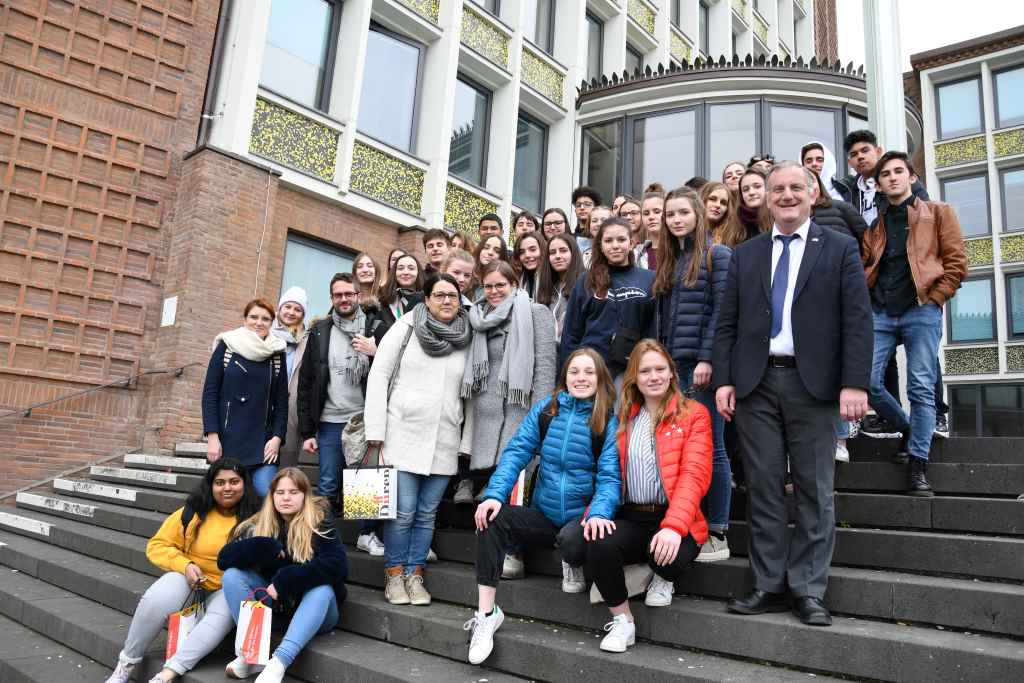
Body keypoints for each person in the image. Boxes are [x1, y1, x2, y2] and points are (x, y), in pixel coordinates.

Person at [714, 162, 872, 627]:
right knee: (762, 487)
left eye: (795, 188)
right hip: (756, 384)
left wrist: (855, 383)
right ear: (766, 197)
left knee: (814, 489)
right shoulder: (746, 254)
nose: (785, 195)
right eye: (777, 188)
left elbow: (857, 321)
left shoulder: (840, 248)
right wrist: (725, 379)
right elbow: (727, 323)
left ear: (811, 193)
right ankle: (767, 583)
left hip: (815, 384)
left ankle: (808, 588)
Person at [465, 348, 620, 665]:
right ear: (565, 377)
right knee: (492, 519)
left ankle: (571, 559)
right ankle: (486, 613)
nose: (581, 378)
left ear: (600, 377)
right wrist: (494, 494)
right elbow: (516, 453)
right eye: (574, 371)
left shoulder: (607, 420)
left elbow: (609, 478)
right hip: (545, 515)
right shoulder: (546, 411)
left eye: (589, 372)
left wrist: (601, 513)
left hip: (580, 521)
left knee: (572, 540)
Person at [586, 340, 712, 653]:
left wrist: (673, 526)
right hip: (632, 515)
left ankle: (658, 574)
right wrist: (598, 513)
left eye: (660, 369)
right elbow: (610, 475)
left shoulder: (695, 414)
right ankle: (623, 621)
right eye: (645, 371)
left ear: (672, 373)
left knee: (666, 561)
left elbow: (693, 477)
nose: (653, 376)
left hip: (674, 517)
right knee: (595, 541)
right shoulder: (624, 419)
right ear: (634, 379)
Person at [365, 274, 474, 606]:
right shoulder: (406, 327)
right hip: (402, 434)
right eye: (438, 295)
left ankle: (415, 575)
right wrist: (376, 433)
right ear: (426, 299)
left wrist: (465, 443)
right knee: (403, 512)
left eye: (452, 296)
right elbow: (379, 375)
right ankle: (394, 575)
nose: (446, 301)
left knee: (427, 513)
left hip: (444, 439)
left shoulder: (468, 336)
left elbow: (471, 393)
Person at [862, 152, 965, 494]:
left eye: (898, 172)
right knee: (868, 382)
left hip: (921, 308)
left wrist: (936, 299)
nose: (892, 178)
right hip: (881, 311)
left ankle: (918, 461)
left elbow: (956, 262)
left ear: (910, 176)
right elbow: (867, 267)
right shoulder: (874, 227)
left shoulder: (937, 213)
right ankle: (909, 428)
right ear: (878, 184)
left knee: (921, 387)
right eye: (885, 174)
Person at [104, 459, 261, 683]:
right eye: (220, 482)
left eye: (234, 482)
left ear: (245, 484)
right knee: (156, 598)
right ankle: (126, 665)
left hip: (228, 588)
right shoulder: (192, 512)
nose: (227, 488)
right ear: (211, 485)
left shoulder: (258, 517)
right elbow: (157, 545)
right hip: (190, 581)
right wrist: (184, 565)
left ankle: (168, 673)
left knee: (220, 617)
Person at [457, 261, 558, 574]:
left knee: (517, 482)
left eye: (501, 285)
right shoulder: (477, 317)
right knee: (494, 485)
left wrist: (540, 414)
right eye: (488, 286)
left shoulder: (536, 313)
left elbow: (543, 366)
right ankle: (494, 547)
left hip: (520, 410)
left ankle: (514, 552)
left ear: (515, 284)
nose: (494, 291)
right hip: (484, 413)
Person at [654, 188, 733, 561]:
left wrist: (707, 360)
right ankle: (688, 522)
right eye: (670, 214)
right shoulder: (671, 261)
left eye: (683, 212)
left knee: (712, 449)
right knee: (680, 452)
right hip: (673, 368)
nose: (676, 219)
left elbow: (723, 313)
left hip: (703, 369)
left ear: (699, 214)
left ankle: (718, 530)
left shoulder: (718, 255)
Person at [218, 468, 347, 683]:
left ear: (305, 496)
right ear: (272, 496)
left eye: (294, 492)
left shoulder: (320, 523)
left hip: (317, 612)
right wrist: (262, 546)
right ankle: (253, 652)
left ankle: (279, 661)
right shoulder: (258, 524)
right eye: (280, 492)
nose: (286, 497)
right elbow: (223, 560)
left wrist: (287, 578)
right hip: (277, 609)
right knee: (232, 576)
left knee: (322, 588)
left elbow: (338, 567)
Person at [297, 272, 390, 554]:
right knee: (327, 482)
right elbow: (307, 381)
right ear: (332, 299)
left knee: (365, 478)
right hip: (328, 420)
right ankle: (321, 537)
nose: (344, 299)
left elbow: (396, 367)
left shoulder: (376, 326)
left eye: (349, 294)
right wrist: (307, 431)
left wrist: (375, 351)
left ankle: (366, 534)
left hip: (364, 418)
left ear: (358, 296)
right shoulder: (320, 330)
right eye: (338, 295)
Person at [202, 299, 288, 497]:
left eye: (265, 319)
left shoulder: (276, 352)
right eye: (254, 317)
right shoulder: (227, 346)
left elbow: (281, 401)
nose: (259, 322)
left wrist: (277, 437)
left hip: (263, 443)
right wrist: (212, 437)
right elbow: (210, 395)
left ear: (272, 322)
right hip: (228, 441)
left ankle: (365, 528)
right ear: (245, 319)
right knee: (226, 499)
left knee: (267, 495)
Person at [559, 217, 656, 382]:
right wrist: (567, 376)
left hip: (630, 370)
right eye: (609, 241)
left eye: (621, 240)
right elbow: (571, 333)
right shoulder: (586, 280)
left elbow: (652, 330)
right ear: (601, 246)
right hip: (591, 368)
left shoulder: (649, 278)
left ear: (632, 243)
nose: (615, 245)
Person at [272, 287, 310, 470]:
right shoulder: (264, 335)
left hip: (291, 413)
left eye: (298, 309)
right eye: (287, 307)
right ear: (279, 309)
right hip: (263, 407)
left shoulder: (308, 340)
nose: (291, 312)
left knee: (286, 469)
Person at [808, 169, 868, 244]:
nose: (809, 186)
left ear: (819, 184)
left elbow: (866, 239)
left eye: (811, 181)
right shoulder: (792, 217)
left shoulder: (842, 208)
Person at [547, 233, 585, 342]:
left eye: (563, 250)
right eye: (552, 252)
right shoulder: (548, 286)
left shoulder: (586, 283)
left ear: (573, 253)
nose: (557, 256)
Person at [378, 253, 424, 326]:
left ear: (418, 272)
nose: (405, 272)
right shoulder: (384, 301)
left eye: (411, 268)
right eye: (400, 268)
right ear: (394, 273)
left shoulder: (427, 301)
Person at [513, 231, 554, 305]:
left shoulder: (553, 277)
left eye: (532, 249)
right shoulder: (517, 279)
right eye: (522, 252)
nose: (527, 255)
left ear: (543, 250)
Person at [701, 181, 743, 248]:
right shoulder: (688, 232)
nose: (718, 205)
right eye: (712, 199)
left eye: (723, 203)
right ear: (702, 199)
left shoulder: (733, 236)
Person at [635, 184, 665, 270]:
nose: (651, 217)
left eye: (657, 211)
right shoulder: (636, 254)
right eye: (646, 213)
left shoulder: (681, 251)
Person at [472, 234, 511, 300]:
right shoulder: (468, 276)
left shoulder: (507, 286)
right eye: (486, 248)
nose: (490, 252)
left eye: (497, 251)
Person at [737, 167, 769, 241]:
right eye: (745, 189)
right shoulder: (735, 223)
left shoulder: (779, 219)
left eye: (757, 186)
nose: (751, 192)